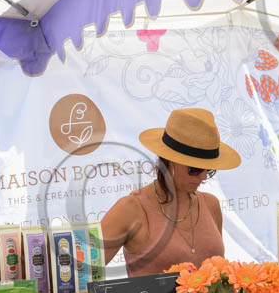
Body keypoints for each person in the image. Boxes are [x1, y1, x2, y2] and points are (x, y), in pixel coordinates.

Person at [102, 108, 241, 276]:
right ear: (169, 161)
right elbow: (82, 272)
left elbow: (221, 282)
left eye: (210, 170)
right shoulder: (131, 208)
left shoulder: (210, 204)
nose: (204, 176)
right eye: (195, 169)